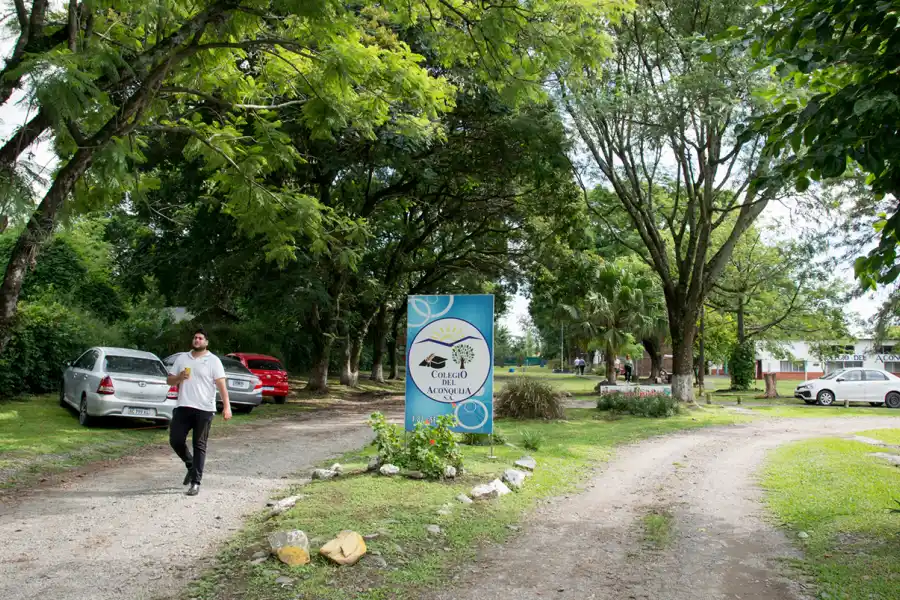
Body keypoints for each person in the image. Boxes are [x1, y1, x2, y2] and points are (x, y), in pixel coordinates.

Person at [167, 329, 231, 496]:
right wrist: (179, 378)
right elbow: (169, 380)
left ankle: (195, 482)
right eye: (195, 337)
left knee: (199, 445)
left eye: (200, 338)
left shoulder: (214, 361)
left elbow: (221, 385)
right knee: (175, 439)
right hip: (183, 406)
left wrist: (227, 406)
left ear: (206, 342)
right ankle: (190, 464)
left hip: (204, 409)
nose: (197, 340)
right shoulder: (182, 358)